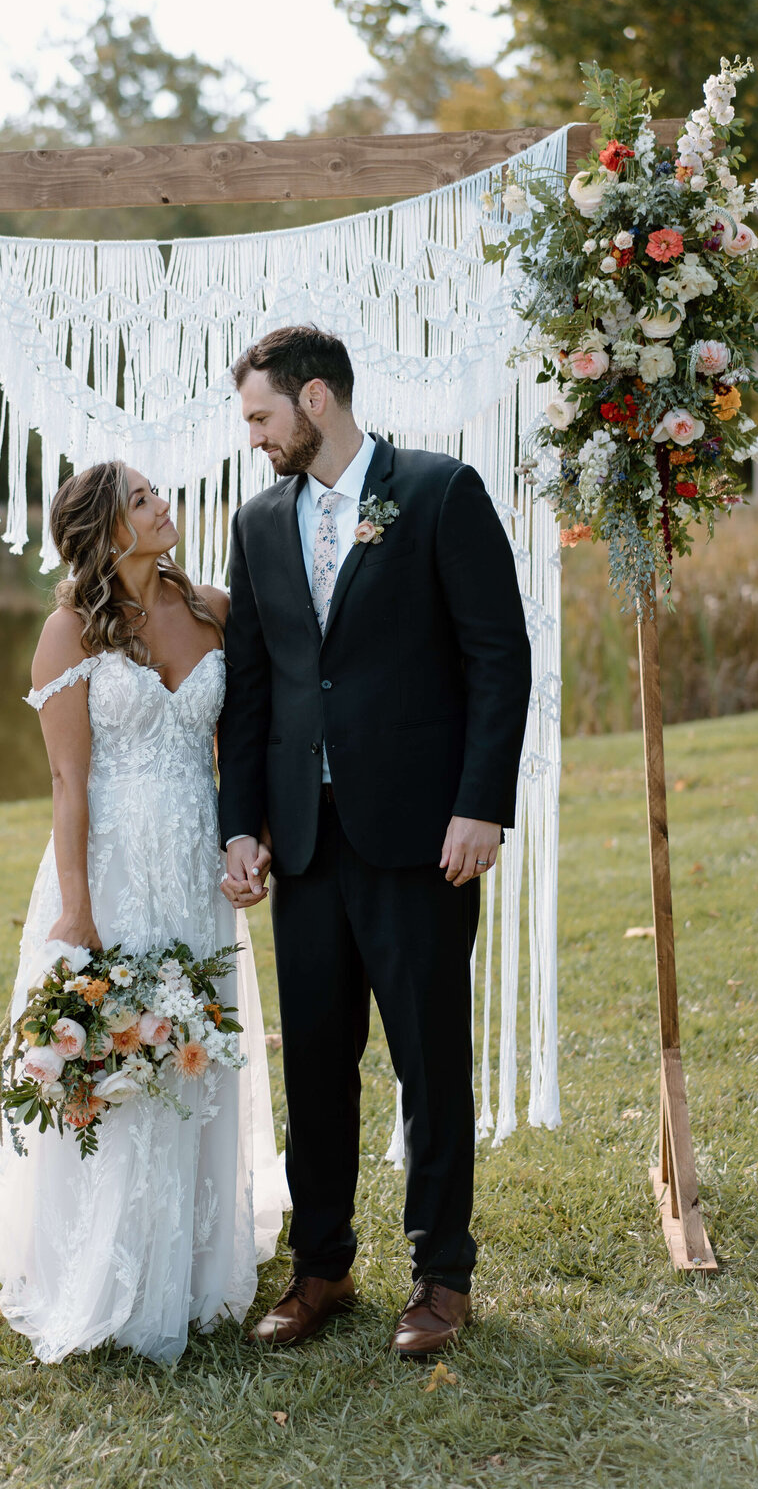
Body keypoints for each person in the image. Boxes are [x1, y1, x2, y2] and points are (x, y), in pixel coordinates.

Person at [218, 324, 531, 1360]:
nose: (254, 437)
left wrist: (480, 804)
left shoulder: (440, 492)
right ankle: (322, 1269)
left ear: (315, 400)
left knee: (429, 1060)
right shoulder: (258, 522)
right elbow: (256, 688)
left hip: (421, 836)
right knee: (314, 1060)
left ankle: (441, 1276)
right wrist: (241, 826)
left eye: (263, 416)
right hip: (306, 843)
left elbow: (499, 657)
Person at [0, 461, 287, 1364]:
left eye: (160, 492)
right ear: (108, 531)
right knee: (115, 1053)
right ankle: (101, 1266)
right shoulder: (68, 631)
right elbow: (68, 781)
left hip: (195, 865)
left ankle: (189, 1264)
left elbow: (246, 748)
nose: (164, 506)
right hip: (110, 871)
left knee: (191, 1045)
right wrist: (76, 913)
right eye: (143, 501)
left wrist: (250, 840)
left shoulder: (214, 609)